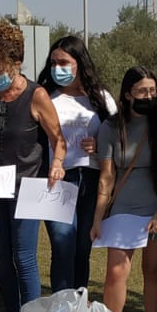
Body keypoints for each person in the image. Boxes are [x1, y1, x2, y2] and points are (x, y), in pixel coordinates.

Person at [0, 21, 66, 312]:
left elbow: (58, 139)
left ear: (15, 65)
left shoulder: (37, 95)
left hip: (29, 185)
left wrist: (57, 164)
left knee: (24, 255)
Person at [90, 67, 157, 312]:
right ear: (128, 94)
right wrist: (98, 218)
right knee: (116, 272)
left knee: (153, 272)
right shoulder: (111, 127)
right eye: (142, 91)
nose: (149, 96)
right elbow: (106, 176)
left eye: (153, 91)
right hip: (123, 208)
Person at [38, 36, 116, 295]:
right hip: (58, 179)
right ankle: (61, 305)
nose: (57, 67)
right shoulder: (46, 98)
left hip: (93, 180)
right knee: (62, 245)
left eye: (64, 62)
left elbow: (118, 138)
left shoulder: (102, 98)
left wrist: (100, 144)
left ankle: (78, 302)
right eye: (53, 62)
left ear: (80, 64)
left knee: (83, 247)